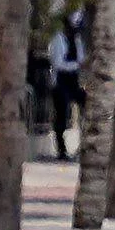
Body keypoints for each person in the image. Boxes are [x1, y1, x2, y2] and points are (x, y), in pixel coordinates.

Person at [48, 9, 86, 161]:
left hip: (73, 82)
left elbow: (81, 60)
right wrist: (76, 65)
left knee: (88, 104)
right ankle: (61, 150)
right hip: (60, 83)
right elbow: (57, 63)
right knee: (61, 116)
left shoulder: (77, 41)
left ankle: (85, 145)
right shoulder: (59, 39)